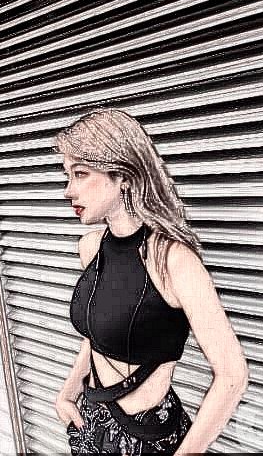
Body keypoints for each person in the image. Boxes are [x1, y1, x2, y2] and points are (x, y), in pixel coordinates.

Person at [54, 108, 248, 455]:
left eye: (80, 174)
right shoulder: (91, 247)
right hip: (91, 428)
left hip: (147, 440)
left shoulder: (173, 260)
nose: (69, 190)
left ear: (123, 175)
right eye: (68, 175)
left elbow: (233, 375)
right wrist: (67, 394)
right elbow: (98, 333)